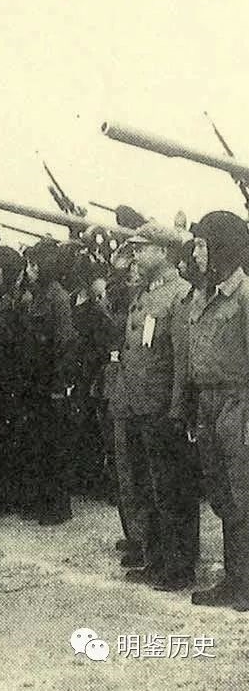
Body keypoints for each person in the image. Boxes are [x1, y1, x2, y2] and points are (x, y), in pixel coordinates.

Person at [112, 227, 198, 591]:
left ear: (163, 252)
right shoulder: (145, 293)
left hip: (162, 409)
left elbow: (182, 360)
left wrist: (178, 409)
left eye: (142, 249)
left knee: (171, 491)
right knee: (147, 488)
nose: (135, 255)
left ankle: (179, 567)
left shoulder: (179, 294)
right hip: (138, 406)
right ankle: (156, 559)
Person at [184, 211, 249, 610]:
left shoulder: (244, 297)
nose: (196, 253)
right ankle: (234, 577)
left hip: (238, 403)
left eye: (202, 245)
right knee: (222, 493)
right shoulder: (203, 294)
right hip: (208, 403)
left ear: (222, 248)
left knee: (244, 494)